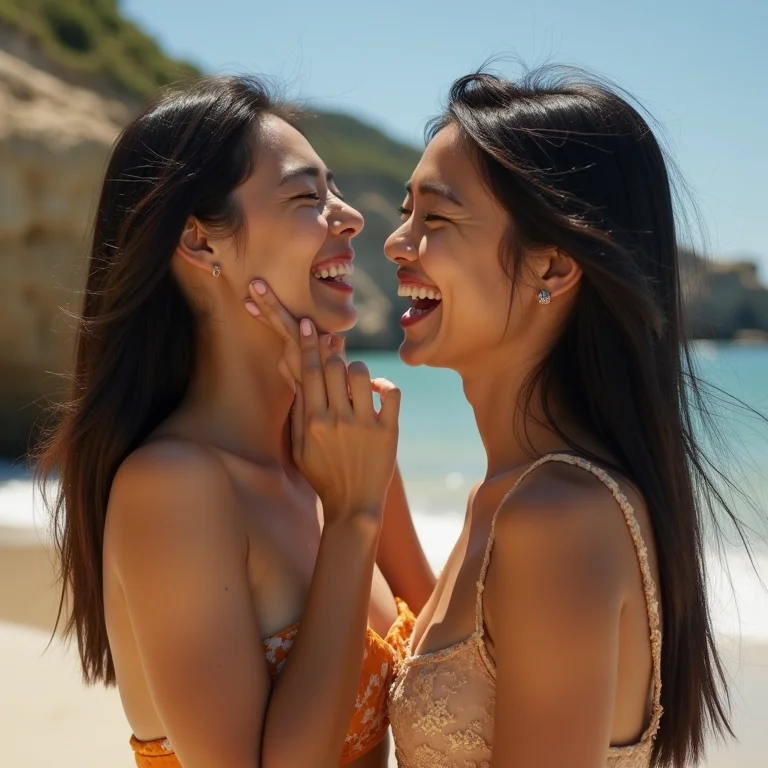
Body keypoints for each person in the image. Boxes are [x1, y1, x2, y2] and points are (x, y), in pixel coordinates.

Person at [35, 75, 433, 768]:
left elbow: (450, 658)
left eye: (333, 190)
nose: (350, 216)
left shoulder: (340, 447)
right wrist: (349, 520)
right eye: (308, 197)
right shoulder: (173, 487)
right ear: (199, 242)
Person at [378, 68, 747, 768]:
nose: (399, 243)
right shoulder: (515, 496)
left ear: (551, 267)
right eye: (407, 212)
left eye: (437, 219)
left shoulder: (555, 517)